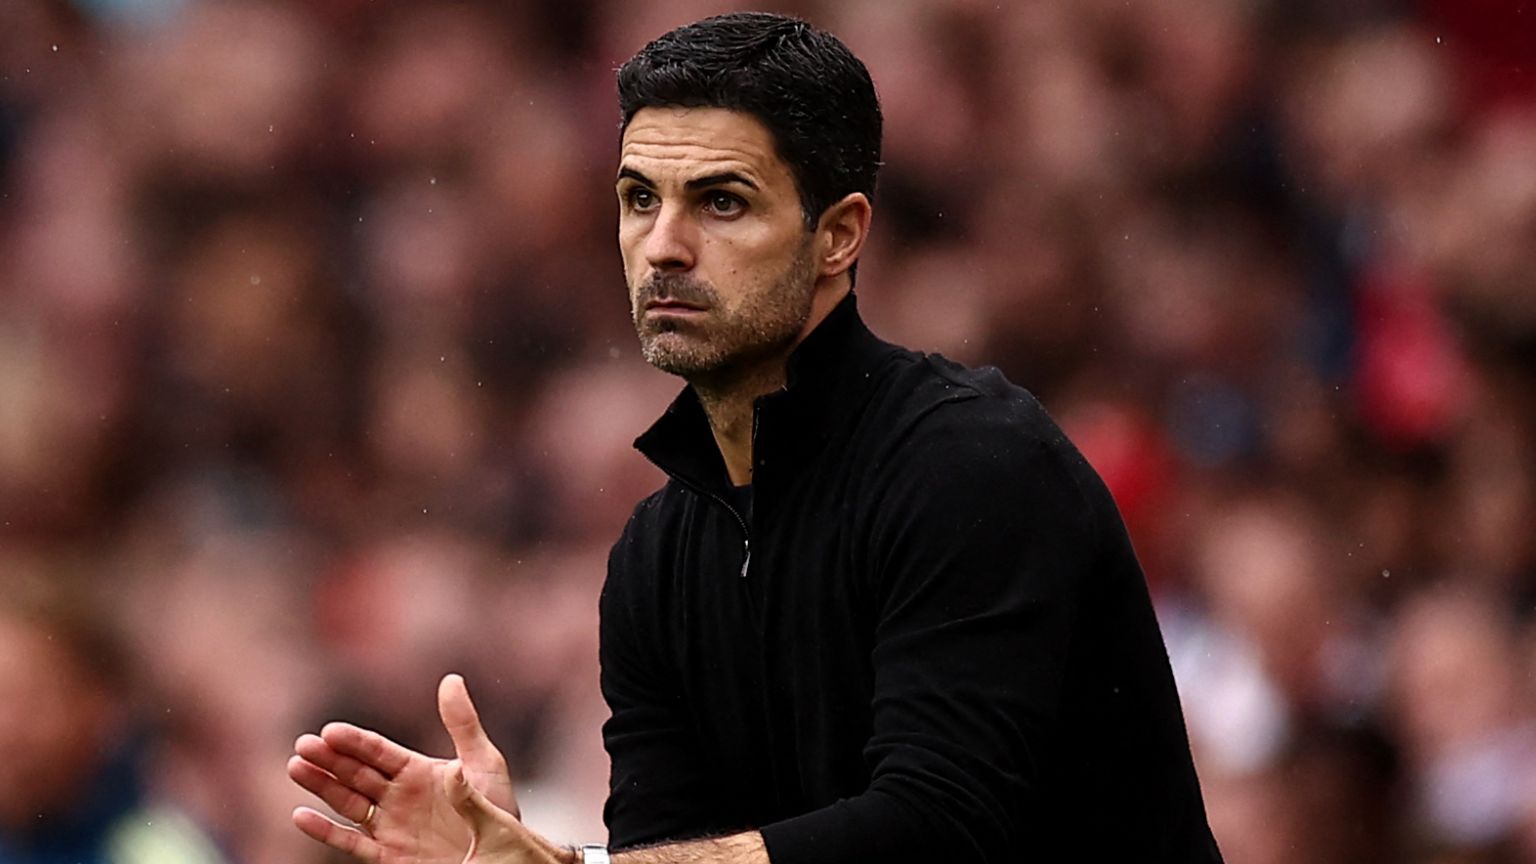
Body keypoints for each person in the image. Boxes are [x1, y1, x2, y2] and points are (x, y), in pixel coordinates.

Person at [288, 12, 1224, 863]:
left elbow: (938, 829)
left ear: (839, 235)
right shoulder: (655, 556)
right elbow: (669, 855)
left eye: (721, 202)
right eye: (639, 198)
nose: (663, 245)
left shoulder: (973, 464)